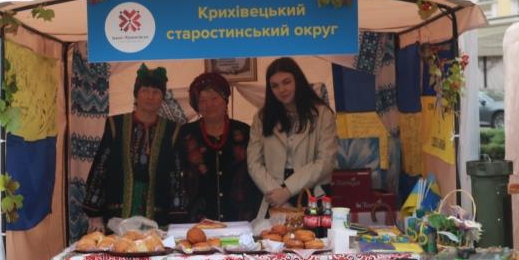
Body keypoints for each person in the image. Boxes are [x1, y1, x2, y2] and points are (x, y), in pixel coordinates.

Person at [83, 64, 186, 229]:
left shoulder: (172, 130)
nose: (150, 96)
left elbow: (177, 176)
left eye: (156, 92)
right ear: (136, 94)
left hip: (157, 214)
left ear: (162, 98)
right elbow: (101, 167)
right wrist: (95, 214)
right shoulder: (116, 124)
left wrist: (177, 217)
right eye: (145, 90)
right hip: (118, 212)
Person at [248, 57, 338, 219]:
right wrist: (277, 193)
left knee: (317, 242)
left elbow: (326, 160)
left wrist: (287, 190)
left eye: (286, 82)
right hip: (273, 193)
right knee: (274, 241)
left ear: (298, 81)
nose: (282, 89)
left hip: (313, 192)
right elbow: (254, 162)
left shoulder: (322, 114)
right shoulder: (262, 117)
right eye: (275, 86)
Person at [179, 72, 260, 222]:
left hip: (240, 218)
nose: (209, 105)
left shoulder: (244, 132)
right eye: (202, 100)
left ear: (225, 100)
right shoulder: (186, 135)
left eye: (214, 98)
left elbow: (257, 172)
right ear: (196, 105)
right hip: (197, 221)